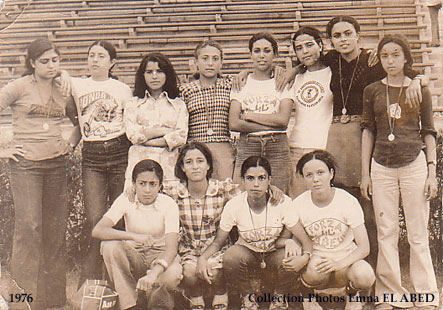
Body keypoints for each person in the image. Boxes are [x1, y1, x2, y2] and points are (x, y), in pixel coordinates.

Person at [0, 38, 80, 310]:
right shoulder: (18, 87)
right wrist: (4, 149)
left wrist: (70, 144)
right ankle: (22, 301)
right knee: (29, 228)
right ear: (32, 62)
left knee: (55, 230)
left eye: (55, 60)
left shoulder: (64, 87)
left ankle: (54, 300)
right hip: (26, 165)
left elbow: (79, 120)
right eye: (44, 61)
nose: (51, 66)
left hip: (56, 164)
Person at [361, 34, 439, 310]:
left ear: (406, 57)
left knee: (418, 234)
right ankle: (389, 295)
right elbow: (368, 131)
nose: (390, 60)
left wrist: (432, 172)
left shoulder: (420, 89)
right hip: (381, 166)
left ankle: (426, 294)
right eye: (384, 55)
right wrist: (365, 173)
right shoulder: (371, 90)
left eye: (396, 54)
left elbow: (429, 132)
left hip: (414, 165)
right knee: (387, 232)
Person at [162, 142, 284, 310]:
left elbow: (250, 189)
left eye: (200, 161)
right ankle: (195, 294)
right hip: (189, 249)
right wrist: (131, 191)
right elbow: (151, 189)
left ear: (208, 165)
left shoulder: (222, 189)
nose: (195, 167)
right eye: (189, 162)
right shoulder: (174, 191)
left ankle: (221, 292)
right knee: (189, 274)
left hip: (216, 248)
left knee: (217, 273)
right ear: (182, 167)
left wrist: (270, 187)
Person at [198, 156, 313, 310]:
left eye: (262, 178)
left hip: (274, 254)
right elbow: (218, 242)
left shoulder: (282, 202)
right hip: (249, 253)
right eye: (250, 178)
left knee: (293, 255)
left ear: (269, 180)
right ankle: (248, 299)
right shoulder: (234, 205)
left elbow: (305, 241)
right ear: (243, 180)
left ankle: (279, 298)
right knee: (231, 256)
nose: (256, 184)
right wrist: (202, 259)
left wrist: (304, 258)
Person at [62, 40, 134, 282]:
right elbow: (74, 113)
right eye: (91, 55)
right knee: (94, 218)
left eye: (100, 56)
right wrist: (76, 135)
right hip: (92, 155)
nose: (94, 60)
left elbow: (128, 123)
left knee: (119, 217)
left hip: (119, 151)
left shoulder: (122, 89)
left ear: (112, 62)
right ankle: (91, 279)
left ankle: (117, 278)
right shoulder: (77, 84)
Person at [92, 159, 183, 310]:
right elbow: (98, 230)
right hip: (134, 256)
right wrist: (133, 236)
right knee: (109, 245)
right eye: (142, 183)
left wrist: (154, 273)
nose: (147, 190)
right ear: (134, 184)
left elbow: (172, 249)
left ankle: (154, 302)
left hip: (160, 257)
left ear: (160, 185)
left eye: (152, 184)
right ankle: (129, 304)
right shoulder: (126, 199)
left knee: (172, 275)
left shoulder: (168, 204)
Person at [294, 150, 375, 310]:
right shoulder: (298, 204)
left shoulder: (347, 201)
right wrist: (292, 242)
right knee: (316, 270)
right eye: (309, 175)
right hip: (317, 264)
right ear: (303, 178)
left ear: (331, 173)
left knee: (365, 275)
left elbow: (364, 247)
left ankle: (351, 294)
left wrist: (338, 263)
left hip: (344, 261)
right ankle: (307, 294)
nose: (315, 179)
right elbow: (295, 238)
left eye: (320, 172)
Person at [229, 32, 294, 193]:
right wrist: (270, 124)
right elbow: (234, 123)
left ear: (275, 54)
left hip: (276, 145)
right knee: (243, 193)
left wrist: (250, 116)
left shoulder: (282, 82)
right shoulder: (241, 82)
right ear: (250, 54)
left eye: (267, 50)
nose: (262, 55)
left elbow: (283, 121)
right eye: (257, 51)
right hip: (248, 143)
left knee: (279, 194)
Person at [124, 52, 188, 187]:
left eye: (159, 71)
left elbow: (181, 137)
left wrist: (146, 138)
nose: (154, 76)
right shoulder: (133, 103)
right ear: (143, 75)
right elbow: (133, 136)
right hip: (139, 165)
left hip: (169, 168)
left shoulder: (178, 105)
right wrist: (164, 130)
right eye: (149, 72)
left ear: (167, 74)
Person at [287, 26, 333, 198]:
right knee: (298, 201)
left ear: (320, 45)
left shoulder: (333, 73)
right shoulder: (295, 78)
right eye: (299, 48)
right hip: (297, 146)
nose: (304, 51)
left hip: (325, 146)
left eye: (309, 45)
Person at [180, 40, 235, 181]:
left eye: (215, 59)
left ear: (221, 63)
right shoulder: (185, 90)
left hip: (224, 148)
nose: (210, 63)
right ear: (196, 62)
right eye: (205, 58)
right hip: (195, 149)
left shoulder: (231, 85)